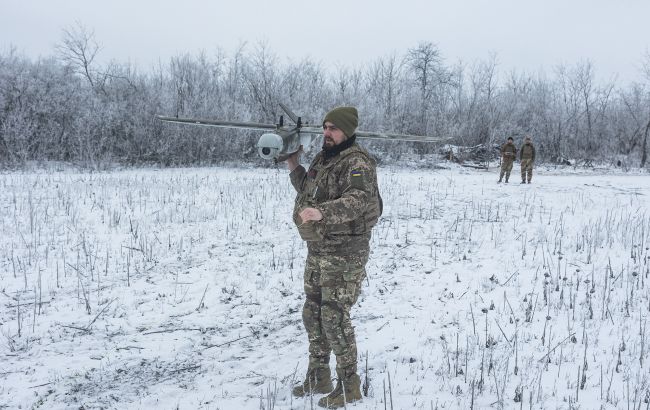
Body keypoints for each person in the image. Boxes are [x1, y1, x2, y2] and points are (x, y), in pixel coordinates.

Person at [286, 106, 381, 408]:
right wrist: (294, 165)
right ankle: (319, 377)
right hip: (319, 249)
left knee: (334, 317)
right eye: (325, 127)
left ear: (347, 131)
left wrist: (321, 213)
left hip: (346, 253)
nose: (326, 133)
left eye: (333, 128)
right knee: (312, 313)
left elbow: (357, 201)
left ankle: (349, 386)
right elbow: (308, 189)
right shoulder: (324, 158)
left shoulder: (357, 162)